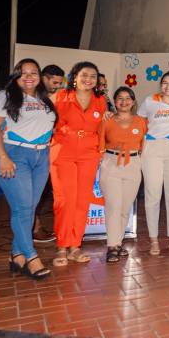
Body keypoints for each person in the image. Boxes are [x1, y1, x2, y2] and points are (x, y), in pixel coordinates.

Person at [0, 58, 56, 279]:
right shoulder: (3, 96)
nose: (29, 77)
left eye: (33, 72)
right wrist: (2, 157)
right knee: (23, 208)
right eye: (23, 72)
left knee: (29, 208)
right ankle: (31, 257)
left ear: (40, 76)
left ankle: (17, 254)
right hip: (15, 155)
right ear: (15, 75)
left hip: (41, 157)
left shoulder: (44, 99)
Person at [51, 61, 106, 266]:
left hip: (89, 155)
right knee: (65, 200)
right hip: (62, 152)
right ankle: (61, 246)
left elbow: (102, 128)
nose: (88, 79)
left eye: (93, 76)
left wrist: (101, 151)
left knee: (82, 200)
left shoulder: (100, 101)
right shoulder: (60, 96)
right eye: (84, 75)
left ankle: (75, 246)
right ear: (74, 77)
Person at [138, 70, 169, 255]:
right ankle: (154, 240)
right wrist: (142, 144)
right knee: (153, 194)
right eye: (165, 83)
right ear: (161, 85)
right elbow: (140, 122)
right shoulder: (150, 101)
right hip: (152, 149)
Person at [98, 86, 146, 263]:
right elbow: (99, 143)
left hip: (133, 164)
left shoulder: (141, 121)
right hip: (111, 163)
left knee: (125, 208)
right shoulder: (107, 120)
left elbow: (145, 145)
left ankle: (118, 243)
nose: (124, 102)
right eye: (120, 98)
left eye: (128, 98)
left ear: (133, 102)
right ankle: (112, 246)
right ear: (115, 102)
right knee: (113, 206)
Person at [32, 64, 65, 244]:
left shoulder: (52, 98)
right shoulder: (33, 96)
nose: (57, 86)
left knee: (41, 191)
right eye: (54, 82)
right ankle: (34, 228)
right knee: (33, 193)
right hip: (30, 150)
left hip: (48, 149)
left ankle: (35, 226)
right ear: (44, 78)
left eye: (60, 83)